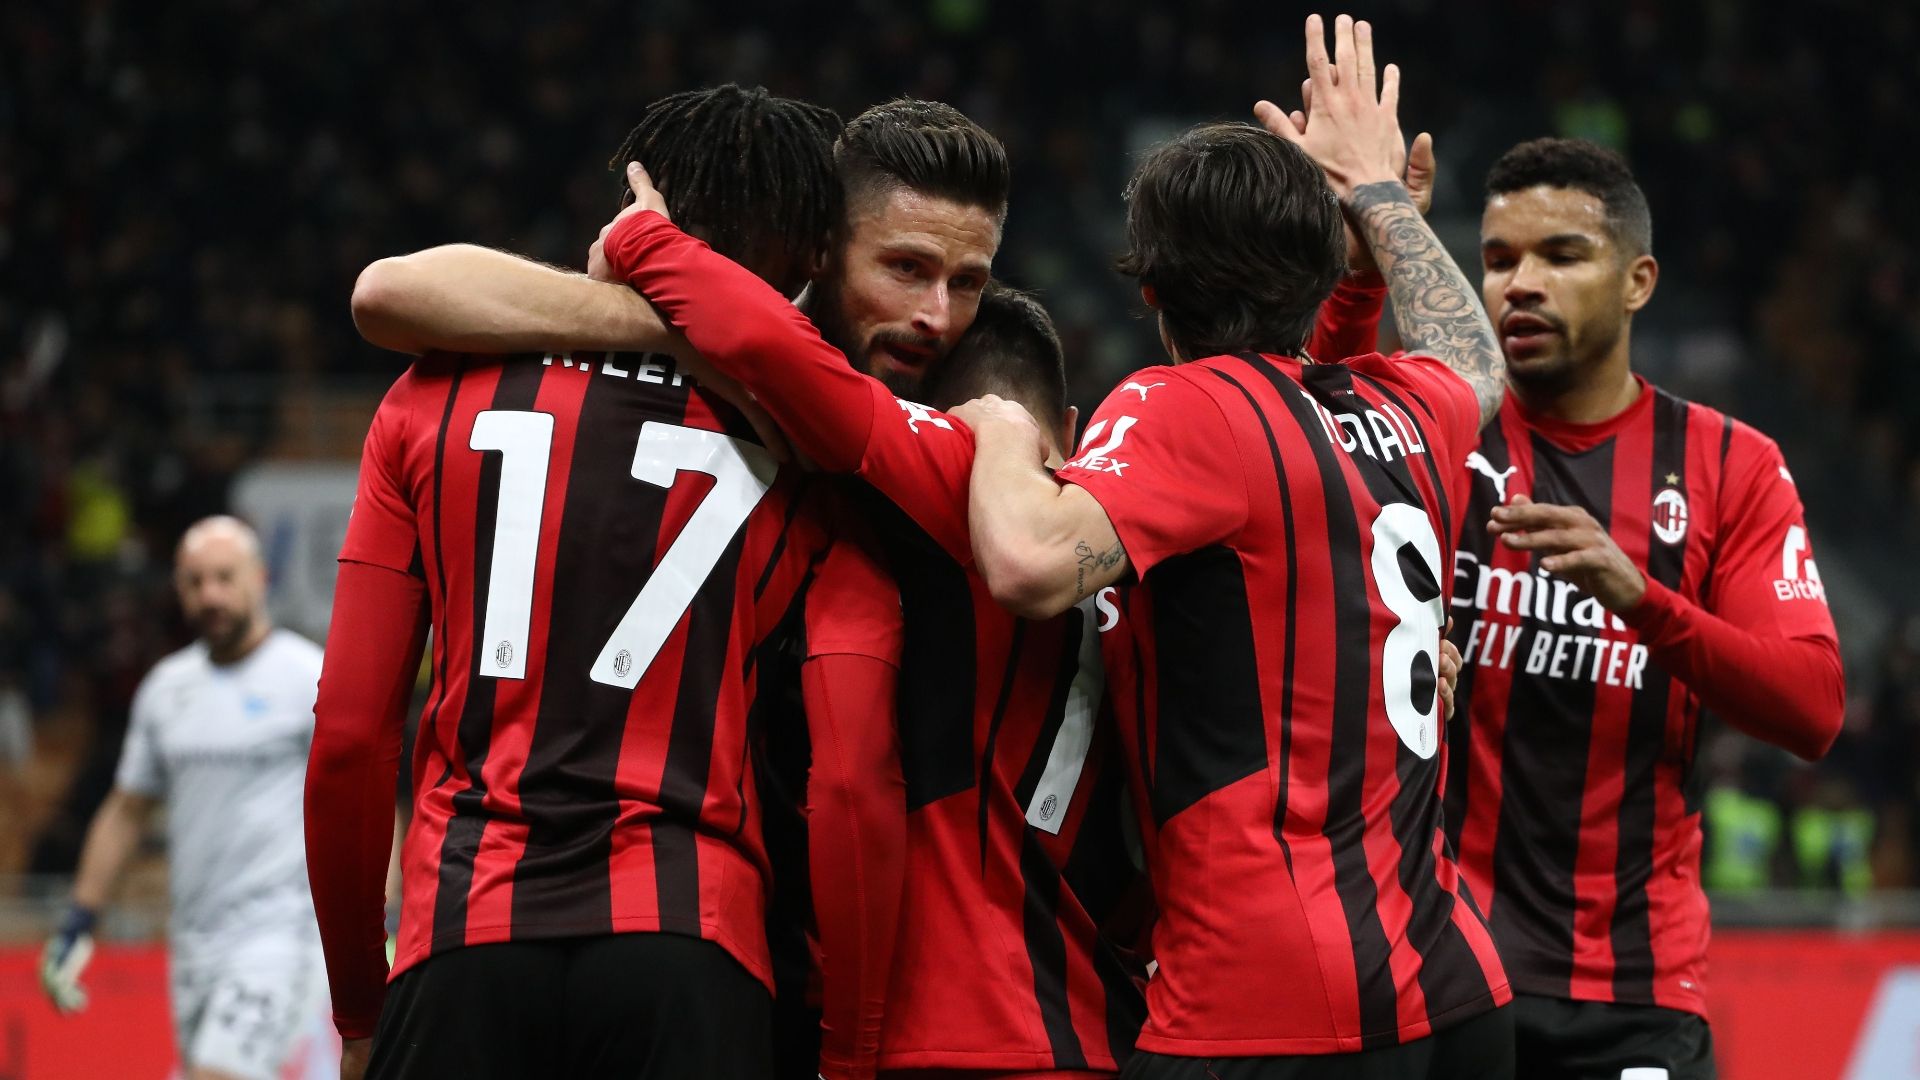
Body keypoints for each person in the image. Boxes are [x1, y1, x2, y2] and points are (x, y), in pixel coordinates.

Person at [959, 14, 1513, 1078]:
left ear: (1154, 291)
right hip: (1450, 989)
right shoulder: (1411, 411)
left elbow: (1028, 564)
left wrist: (995, 427)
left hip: (1263, 1007)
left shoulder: (1184, 408)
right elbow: (1471, 359)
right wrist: (1380, 201)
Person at [304, 84, 845, 1080]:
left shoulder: (433, 391)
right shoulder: (815, 440)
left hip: (464, 940)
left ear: (639, 210)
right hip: (693, 945)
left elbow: (346, 735)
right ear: (812, 263)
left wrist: (355, 1005)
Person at [1310, 133, 1846, 1079]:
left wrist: (1644, 601)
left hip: (1630, 995)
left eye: (1561, 255)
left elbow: (1812, 708)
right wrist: (1360, 273)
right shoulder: (1441, 426)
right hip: (1441, 969)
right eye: (1498, 258)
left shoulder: (1732, 466)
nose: (1519, 283)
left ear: (1638, 281)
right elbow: (1313, 420)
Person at [600, 165, 1149, 1075]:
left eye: (965, 283)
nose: (934, 312)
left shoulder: (925, 491)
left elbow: (853, 781)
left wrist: (638, 244)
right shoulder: (1133, 542)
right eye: (906, 269)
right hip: (1109, 1028)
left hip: (934, 1033)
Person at [39, 516, 330, 1080]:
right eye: (195, 582)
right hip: (193, 941)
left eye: (224, 577)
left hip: (280, 933)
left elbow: (365, 798)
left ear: (260, 578)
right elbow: (127, 810)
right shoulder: (165, 690)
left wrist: (382, 908)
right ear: (178, 590)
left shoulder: (307, 678)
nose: (210, 595)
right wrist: (79, 917)